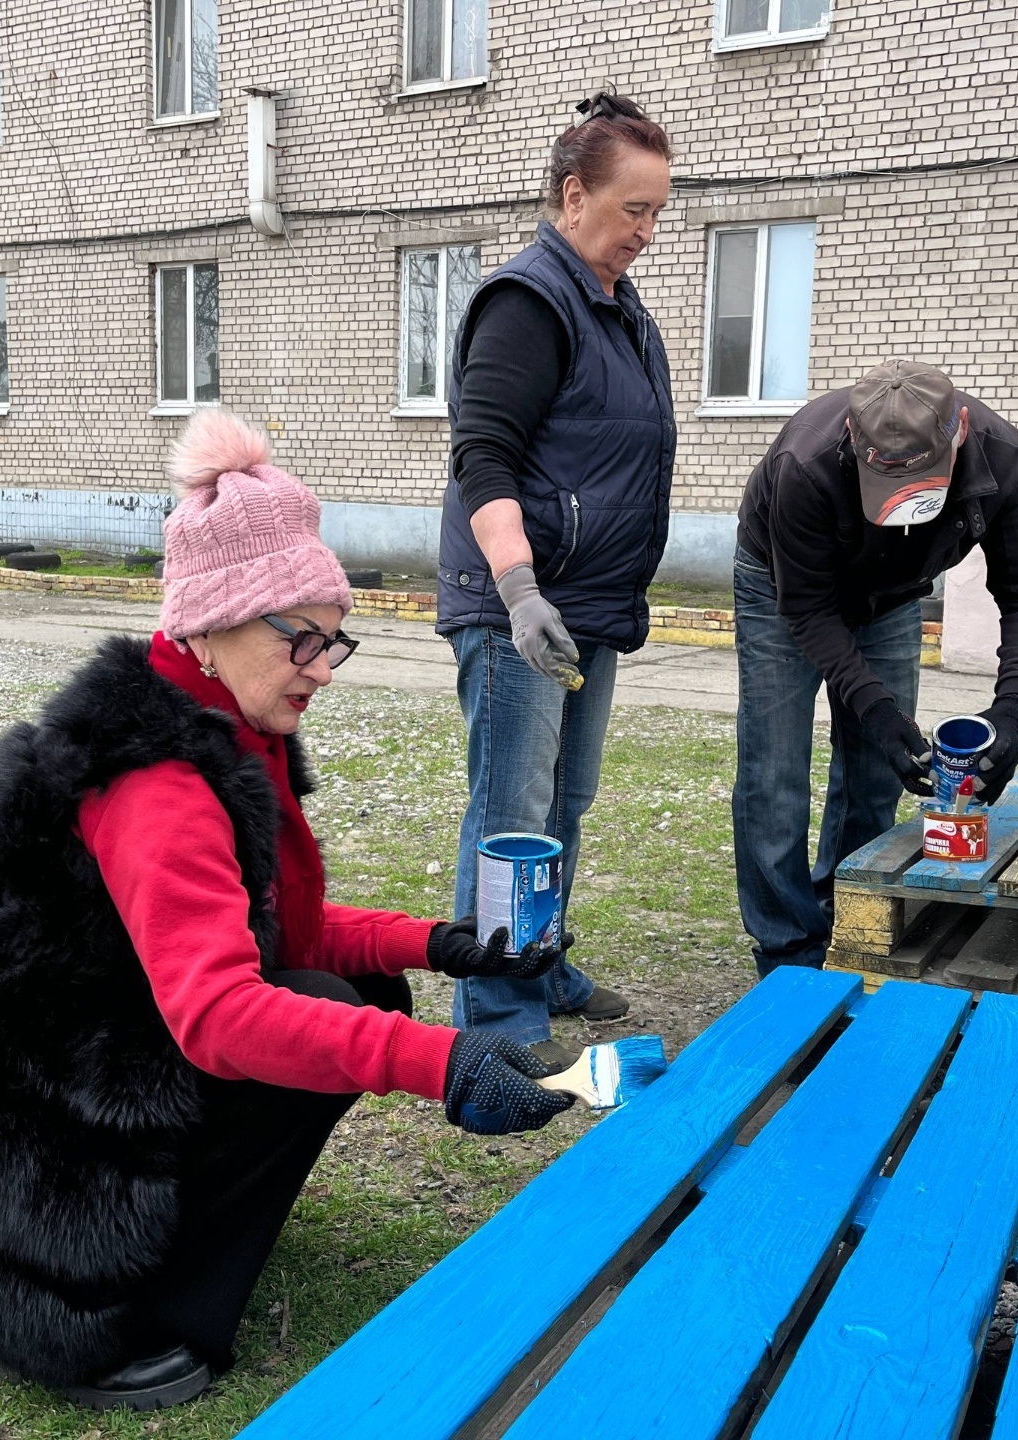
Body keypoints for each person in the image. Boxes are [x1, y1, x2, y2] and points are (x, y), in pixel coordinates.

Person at [0, 410, 573, 1412]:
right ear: (213, 623)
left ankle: (189, 1230)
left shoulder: (226, 730)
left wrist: (446, 947)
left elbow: (286, 930)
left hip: (92, 1052)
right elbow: (217, 1015)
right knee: (319, 1016)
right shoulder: (155, 785)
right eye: (301, 639)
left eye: (330, 641)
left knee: (361, 988)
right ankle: (118, 1312)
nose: (319, 667)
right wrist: (442, 1065)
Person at [436, 93, 677, 1064]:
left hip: (590, 608)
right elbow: (482, 456)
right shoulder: (528, 302)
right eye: (634, 210)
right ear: (573, 195)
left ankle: (540, 962)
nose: (648, 233)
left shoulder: (615, 310)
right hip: (520, 609)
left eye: (659, 211)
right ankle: (496, 1017)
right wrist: (520, 591)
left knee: (563, 805)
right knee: (511, 816)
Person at [732, 360, 1018, 973]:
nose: (906, 505)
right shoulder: (804, 463)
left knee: (878, 775)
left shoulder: (1004, 460)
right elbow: (806, 609)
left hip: (895, 595)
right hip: (781, 588)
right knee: (773, 769)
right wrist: (878, 709)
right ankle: (787, 952)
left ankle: (850, 920)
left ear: (958, 431)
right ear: (855, 442)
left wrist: (1014, 710)